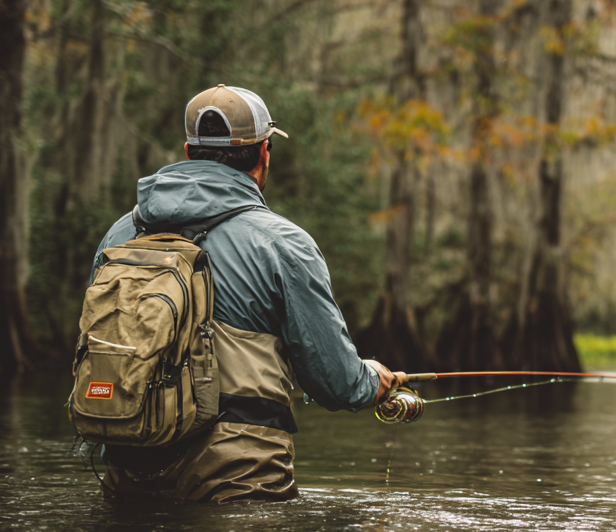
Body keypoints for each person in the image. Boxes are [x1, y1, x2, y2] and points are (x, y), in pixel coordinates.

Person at [87, 84, 406, 502]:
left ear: (188, 151)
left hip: (129, 465)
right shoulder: (282, 243)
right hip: (237, 474)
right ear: (263, 154)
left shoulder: (120, 234)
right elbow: (336, 383)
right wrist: (374, 381)